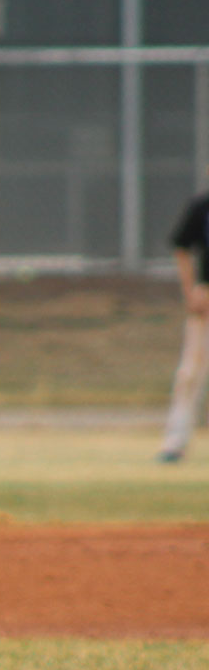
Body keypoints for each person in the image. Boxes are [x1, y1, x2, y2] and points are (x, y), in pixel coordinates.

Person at [157, 180, 209, 462]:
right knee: (190, 373)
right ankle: (175, 442)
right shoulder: (202, 206)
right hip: (207, 298)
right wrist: (191, 292)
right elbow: (182, 247)